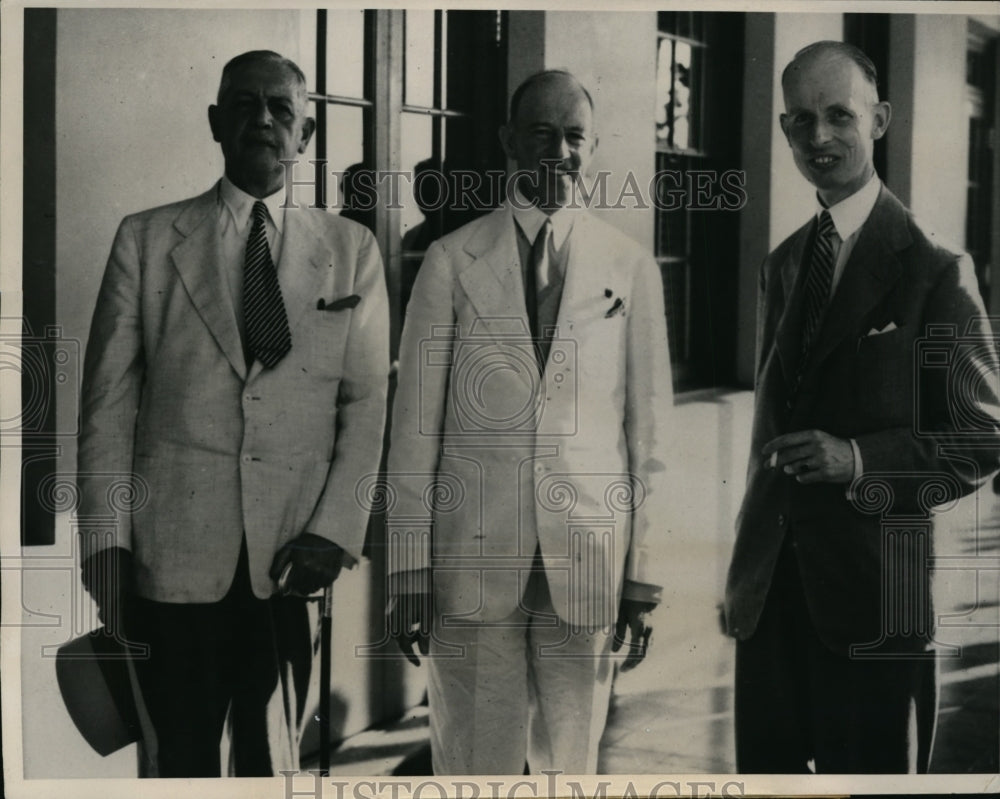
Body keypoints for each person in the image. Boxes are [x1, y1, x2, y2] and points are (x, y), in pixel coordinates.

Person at [76, 50, 389, 777]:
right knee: (177, 758)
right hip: (169, 558)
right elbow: (107, 406)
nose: (264, 120)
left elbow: (366, 403)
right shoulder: (148, 239)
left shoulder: (350, 251)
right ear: (216, 123)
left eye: (282, 109)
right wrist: (105, 547)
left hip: (291, 559)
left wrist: (334, 531)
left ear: (305, 134)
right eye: (245, 105)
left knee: (272, 760)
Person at [384, 69, 676, 774]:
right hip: (470, 562)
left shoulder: (629, 265)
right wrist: (407, 566)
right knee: (474, 761)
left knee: (570, 763)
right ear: (509, 141)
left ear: (593, 145)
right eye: (541, 133)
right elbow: (414, 427)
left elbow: (650, 437)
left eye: (574, 136)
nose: (559, 152)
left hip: (588, 560)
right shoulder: (452, 260)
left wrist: (642, 576)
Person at [725, 40, 1000, 773]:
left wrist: (857, 459)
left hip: (876, 604)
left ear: (878, 119)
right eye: (800, 120)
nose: (819, 137)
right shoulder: (782, 263)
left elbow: (982, 439)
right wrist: (744, 573)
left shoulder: (935, 269)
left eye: (839, 115)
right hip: (770, 599)